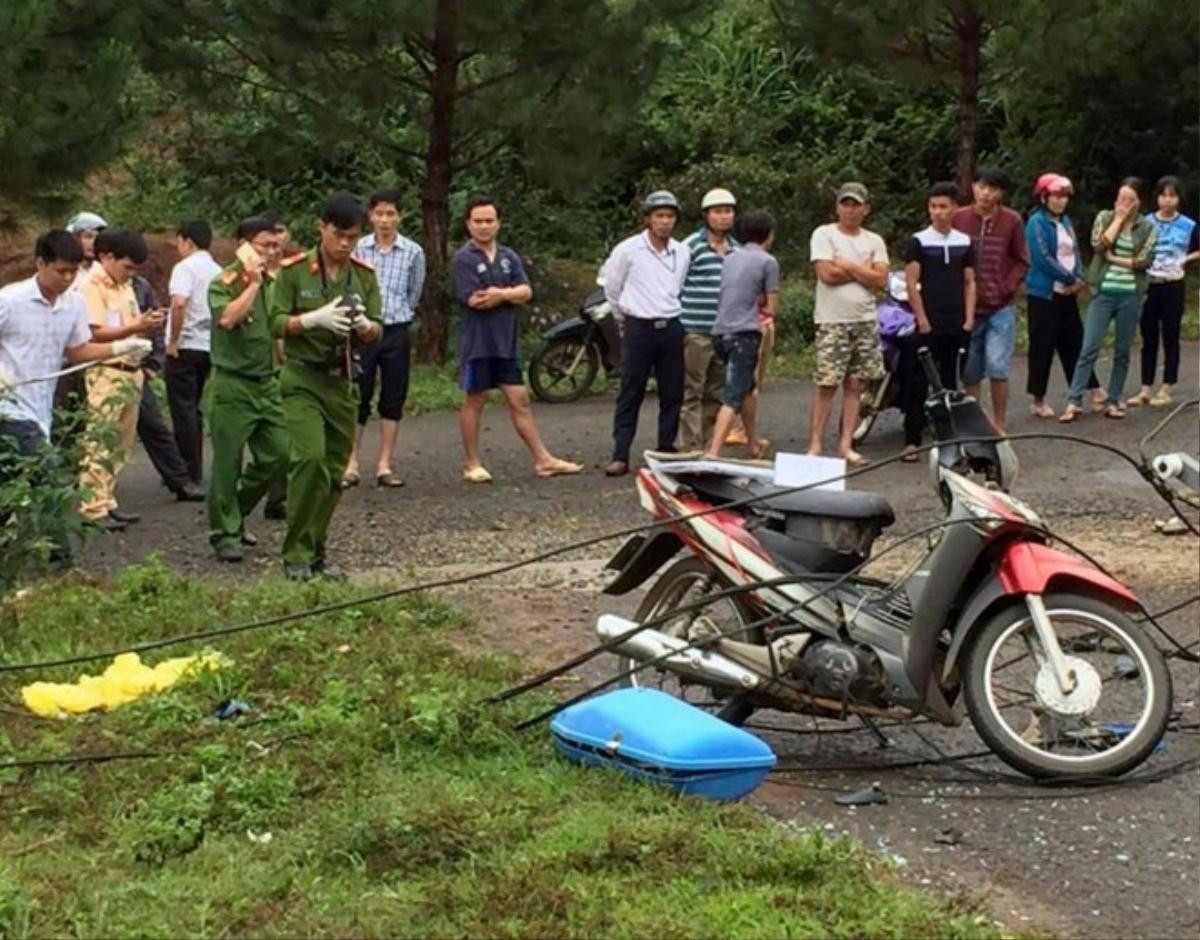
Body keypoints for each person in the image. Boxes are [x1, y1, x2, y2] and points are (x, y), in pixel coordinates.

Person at [0, 231, 151, 556]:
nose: (68, 279)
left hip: (40, 410)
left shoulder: (73, 303)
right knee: (49, 479)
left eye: (73, 271)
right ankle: (60, 564)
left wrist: (120, 346)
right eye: (61, 271)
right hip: (9, 409)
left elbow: (77, 350)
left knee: (10, 484)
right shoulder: (10, 301)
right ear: (40, 263)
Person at [269, 192, 383, 580]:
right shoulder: (294, 271)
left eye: (353, 236)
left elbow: (378, 327)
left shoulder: (363, 275)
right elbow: (274, 322)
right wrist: (312, 320)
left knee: (334, 472)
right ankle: (296, 554)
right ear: (322, 227)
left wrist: (366, 328)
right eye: (339, 234)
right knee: (310, 460)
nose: (345, 244)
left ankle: (315, 552)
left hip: (342, 381)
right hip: (302, 376)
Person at [453, 195, 582, 484]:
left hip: (506, 341)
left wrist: (501, 294)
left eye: (489, 220)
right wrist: (508, 294)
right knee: (475, 399)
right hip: (478, 342)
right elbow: (475, 300)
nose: (484, 226)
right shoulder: (464, 258)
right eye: (478, 221)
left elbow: (526, 291)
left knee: (519, 399)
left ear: (498, 223)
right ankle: (471, 463)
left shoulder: (509, 256)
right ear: (468, 224)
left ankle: (543, 459)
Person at [208, 216, 290, 562]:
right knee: (227, 463)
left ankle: (235, 511)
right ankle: (225, 533)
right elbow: (227, 319)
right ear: (242, 245)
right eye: (264, 246)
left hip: (268, 384)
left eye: (276, 245)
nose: (272, 252)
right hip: (232, 384)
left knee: (280, 455)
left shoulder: (278, 281)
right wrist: (252, 285)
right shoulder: (224, 281)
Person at [77, 229, 166, 531]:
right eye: (127, 266)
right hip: (106, 368)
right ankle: (91, 506)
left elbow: (129, 324)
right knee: (100, 439)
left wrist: (147, 325)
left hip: (132, 369)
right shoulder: (91, 286)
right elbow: (94, 332)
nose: (130, 273)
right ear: (107, 257)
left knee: (122, 442)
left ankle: (107, 499)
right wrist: (136, 327)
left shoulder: (125, 286)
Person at [602, 191, 690, 477]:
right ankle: (620, 454)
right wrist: (622, 317)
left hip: (671, 324)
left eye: (669, 216)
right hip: (639, 325)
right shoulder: (628, 250)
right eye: (659, 216)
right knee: (631, 391)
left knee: (672, 391)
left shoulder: (681, 251)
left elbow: (678, 285)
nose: (665, 222)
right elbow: (612, 287)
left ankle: (665, 450)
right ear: (648, 219)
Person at [343, 188, 426, 489]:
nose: (385, 220)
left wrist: (400, 315)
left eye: (391, 214)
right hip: (363, 330)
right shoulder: (358, 249)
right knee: (358, 395)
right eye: (379, 214)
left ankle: (384, 464)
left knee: (393, 396)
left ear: (400, 216)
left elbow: (414, 293)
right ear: (370, 216)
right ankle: (351, 463)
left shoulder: (413, 251)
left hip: (396, 329)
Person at [1061, 178, 1158, 422]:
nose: (1122, 203)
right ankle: (1074, 400)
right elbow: (1098, 245)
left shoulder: (1147, 228)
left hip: (1130, 295)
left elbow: (1144, 261)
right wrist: (1118, 219)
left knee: (1122, 350)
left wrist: (1114, 259)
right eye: (1120, 197)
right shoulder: (1104, 217)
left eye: (1129, 200)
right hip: (1103, 293)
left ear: (1138, 203)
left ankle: (1114, 399)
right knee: (1089, 347)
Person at [807, 182, 889, 465]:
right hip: (832, 321)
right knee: (827, 383)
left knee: (855, 383)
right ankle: (815, 444)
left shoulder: (874, 240)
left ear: (865, 208)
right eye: (845, 203)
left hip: (864, 319)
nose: (850, 209)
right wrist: (863, 269)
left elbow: (880, 280)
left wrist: (850, 266)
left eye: (855, 204)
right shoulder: (824, 234)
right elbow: (827, 274)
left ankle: (846, 444)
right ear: (837, 206)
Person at [952, 167, 1029, 433]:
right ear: (973, 187)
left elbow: (1022, 259)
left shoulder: (1012, 221)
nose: (985, 193)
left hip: (1001, 307)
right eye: (981, 186)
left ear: (1000, 193)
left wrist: (1008, 286)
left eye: (992, 188)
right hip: (968, 307)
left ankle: (999, 422)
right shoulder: (958, 218)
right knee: (970, 370)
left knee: (998, 366)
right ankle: (975, 424)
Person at [903, 182, 976, 453]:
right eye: (933, 207)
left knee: (950, 380)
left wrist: (968, 319)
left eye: (943, 207)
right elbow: (912, 283)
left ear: (955, 208)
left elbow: (969, 282)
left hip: (956, 321)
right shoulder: (919, 241)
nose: (938, 212)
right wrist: (922, 319)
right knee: (919, 380)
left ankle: (948, 438)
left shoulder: (964, 242)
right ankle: (911, 439)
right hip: (928, 321)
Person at [1024, 173, 1103, 419]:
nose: (1061, 202)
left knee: (1075, 342)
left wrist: (1079, 277)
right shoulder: (1036, 222)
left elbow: (1076, 252)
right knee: (1042, 345)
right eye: (1056, 197)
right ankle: (1038, 399)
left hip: (1067, 293)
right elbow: (1042, 258)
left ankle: (1091, 389)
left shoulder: (1066, 221)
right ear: (1044, 197)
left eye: (1064, 197)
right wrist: (1070, 279)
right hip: (1044, 293)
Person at [704, 210, 779, 459]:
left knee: (747, 387)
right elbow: (771, 308)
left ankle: (752, 443)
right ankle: (713, 451)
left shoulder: (729, 257)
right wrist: (759, 300)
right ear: (768, 236)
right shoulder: (768, 262)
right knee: (734, 394)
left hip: (719, 331)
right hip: (743, 333)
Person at [130, 274, 206, 502]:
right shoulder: (86, 283)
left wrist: (154, 361)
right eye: (85, 236)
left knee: (154, 424)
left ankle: (180, 481)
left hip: (131, 368)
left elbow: (156, 324)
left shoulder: (138, 284)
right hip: (89, 365)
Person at [1128, 175, 1199, 409]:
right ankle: (1145, 387)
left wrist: (1185, 260)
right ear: (1156, 197)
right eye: (1163, 195)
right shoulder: (1146, 222)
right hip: (1149, 284)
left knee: (1170, 335)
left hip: (1173, 284)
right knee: (1148, 337)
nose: (1167, 201)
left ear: (1179, 199)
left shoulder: (1188, 225)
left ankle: (1167, 386)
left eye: (1172, 196)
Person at [677, 187, 737, 451]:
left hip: (724, 331)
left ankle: (708, 443)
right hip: (695, 329)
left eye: (728, 211)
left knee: (716, 391)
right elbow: (675, 283)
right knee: (692, 390)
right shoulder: (690, 246)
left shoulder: (736, 249)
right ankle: (690, 446)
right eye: (718, 212)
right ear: (706, 215)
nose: (723, 217)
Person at [165, 219, 220, 484]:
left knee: (182, 408)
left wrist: (173, 341)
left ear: (187, 241)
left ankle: (186, 470)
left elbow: (179, 303)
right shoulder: (217, 270)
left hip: (185, 346)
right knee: (194, 406)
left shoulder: (184, 268)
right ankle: (192, 465)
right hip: (209, 345)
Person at [53, 211, 109, 446]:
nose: (92, 242)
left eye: (97, 236)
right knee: (61, 421)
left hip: (94, 356)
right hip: (64, 357)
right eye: (87, 236)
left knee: (89, 423)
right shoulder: (62, 272)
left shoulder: (103, 273)